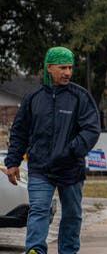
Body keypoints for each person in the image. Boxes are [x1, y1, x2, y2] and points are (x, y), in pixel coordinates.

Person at [3, 46, 101, 254]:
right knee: (38, 210)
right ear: (49, 68)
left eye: (70, 67)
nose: (68, 72)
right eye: (62, 67)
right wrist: (12, 162)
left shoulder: (80, 97)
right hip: (40, 168)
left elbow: (91, 130)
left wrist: (70, 151)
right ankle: (35, 250)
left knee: (72, 214)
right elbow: (19, 131)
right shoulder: (33, 98)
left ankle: (68, 251)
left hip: (71, 169)